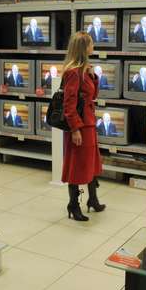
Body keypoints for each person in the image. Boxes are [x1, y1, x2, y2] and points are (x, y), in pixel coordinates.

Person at [62, 31, 105, 222]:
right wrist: (75, 129)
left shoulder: (84, 70)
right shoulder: (72, 72)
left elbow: (92, 97)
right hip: (80, 127)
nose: (93, 46)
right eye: (91, 43)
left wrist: (92, 76)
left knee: (91, 164)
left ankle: (93, 200)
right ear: (84, 47)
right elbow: (68, 105)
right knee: (77, 167)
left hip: (89, 124)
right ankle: (73, 205)